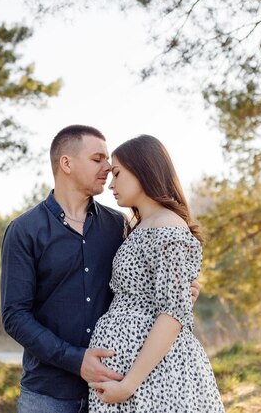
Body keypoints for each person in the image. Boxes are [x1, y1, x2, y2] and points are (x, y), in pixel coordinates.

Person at [0, 125, 199, 413]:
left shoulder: (119, 225)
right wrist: (76, 360)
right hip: (48, 394)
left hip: (113, 388)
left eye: (109, 161)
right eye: (98, 159)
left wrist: (182, 292)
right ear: (66, 163)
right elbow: (15, 316)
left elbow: (141, 289)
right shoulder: (25, 230)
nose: (107, 167)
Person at [88, 135, 225, 412]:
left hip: (154, 379)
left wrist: (127, 386)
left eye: (117, 173)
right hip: (132, 376)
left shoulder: (167, 227)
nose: (111, 185)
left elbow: (173, 314)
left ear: (143, 169)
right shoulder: (140, 227)